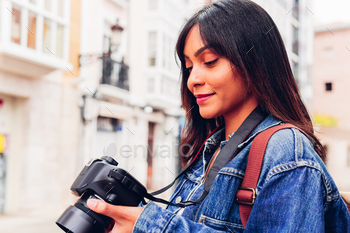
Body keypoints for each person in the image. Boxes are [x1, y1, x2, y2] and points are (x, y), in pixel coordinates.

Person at [86, 0, 350, 232]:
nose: (193, 80)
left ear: (255, 61)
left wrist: (151, 226)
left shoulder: (286, 153)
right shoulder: (211, 148)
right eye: (189, 67)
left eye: (210, 61)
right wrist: (120, 213)